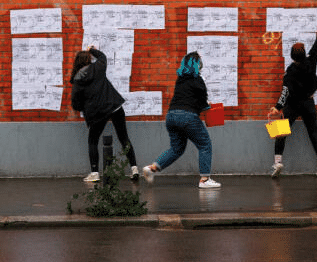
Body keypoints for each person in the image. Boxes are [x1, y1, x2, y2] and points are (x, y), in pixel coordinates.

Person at [142, 52, 221, 189]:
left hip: (171, 116)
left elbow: (186, 97)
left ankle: (152, 168)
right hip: (187, 117)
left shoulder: (180, 79)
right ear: (198, 65)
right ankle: (204, 179)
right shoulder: (198, 80)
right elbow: (203, 104)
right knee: (204, 145)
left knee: (177, 148)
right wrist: (209, 107)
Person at [268, 15, 317, 178]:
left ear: (292, 56)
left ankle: (278, 162)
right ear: (303, 54)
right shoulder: (311, 63)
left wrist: (277, 107)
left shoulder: (289, 73)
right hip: (308, 104)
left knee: (280, 132)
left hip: (293, 106)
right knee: (314, 134)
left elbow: (285, 92)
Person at [70, 47, 139, 182]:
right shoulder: (98, 68)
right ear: (89, 60)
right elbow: (103, 56)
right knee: (124, 137)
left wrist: (84, 107)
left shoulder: (77, 81)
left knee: (93, 141)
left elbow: (75, 104)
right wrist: (92, 50)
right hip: (114, 106)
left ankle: (95, 173)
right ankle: (134, 169)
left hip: (97, 113)